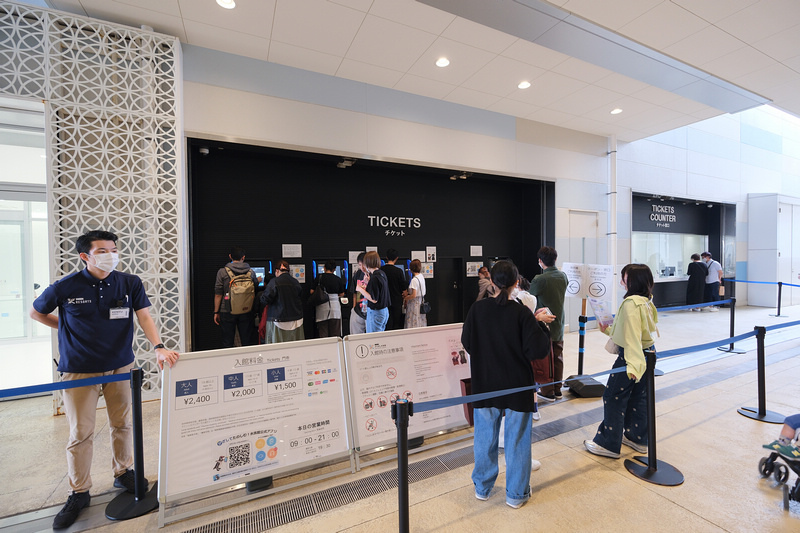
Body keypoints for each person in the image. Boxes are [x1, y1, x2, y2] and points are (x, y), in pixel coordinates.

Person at [29, 230, 180, 530]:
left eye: (113, 249)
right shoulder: (65, 286)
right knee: (81, 431)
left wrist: (159, 347)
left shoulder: (128, 283)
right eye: (102, 250)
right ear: (85, 256)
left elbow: (145, 316)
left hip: (120, 365)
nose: (110, 254)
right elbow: (36, 313)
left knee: (122, 422)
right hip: (78, 369)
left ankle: (123, 471)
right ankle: (79, 490)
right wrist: (65, 328)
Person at [462, 261, 552, 509]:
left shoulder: (477, 310)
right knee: (517, 440)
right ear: (516, 283)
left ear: (492, 282)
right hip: (517, 386)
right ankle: (516, 494)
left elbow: (467, 343)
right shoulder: (521, 312)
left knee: (484, 438)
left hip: (485, 384)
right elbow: (538, 349)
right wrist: (542, 324)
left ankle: (482, 488)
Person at [584, 263, 658, 459]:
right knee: (638, 398)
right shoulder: (646, 300)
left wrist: (633, 364)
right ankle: (638, 437)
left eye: (624, 277)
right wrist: (608, 329)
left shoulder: (630, 303)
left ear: (632, 280)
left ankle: (608, 443)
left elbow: (632, 337)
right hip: (647, 353)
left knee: (613, 396)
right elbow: (636, 332)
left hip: (632, 356)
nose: (621, 281)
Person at [529, 246, 568, 402]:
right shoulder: (563, 276)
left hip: (544, 324)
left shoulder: (540, 279)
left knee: (546, 358)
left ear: (540, 261)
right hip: (559, 322)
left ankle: (547, 392)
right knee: (558, 356)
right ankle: (557, 389)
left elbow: (530, 297)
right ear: (555, 259)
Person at [213, 246, 259, 347]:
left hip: (227, 310)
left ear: (230, 256)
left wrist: (216, 312)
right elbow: (255, 288)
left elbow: (218, 294)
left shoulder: (222, 272)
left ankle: (229, 361)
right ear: (243, 257)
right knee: (246, 339)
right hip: (246, 309)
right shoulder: (251, 272)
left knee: (227, 340)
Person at [261, 259, 305, 343]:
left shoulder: (274, 282)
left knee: (277, 349)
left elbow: (264, 299)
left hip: (278, 320)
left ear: (277, 271)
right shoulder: (295, 282)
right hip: (296, 320)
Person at [355, 251, 390, 333]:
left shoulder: (374, 277)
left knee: (374, 341)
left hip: (376, 312)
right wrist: (368, 283)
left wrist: (360, 289)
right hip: (384, 311)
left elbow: (374, 299)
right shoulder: (381, 274)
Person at [311, 260, 345, 337]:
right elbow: (342, 293)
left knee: (323, 332)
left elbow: (311, 291)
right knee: (335, 332)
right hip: (335, 309)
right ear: (334, 269)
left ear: (324, 268)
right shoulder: (338, 279)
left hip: (322, 308)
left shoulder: (319, 278)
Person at [380, 249, 409, 330]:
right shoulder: (399, 271)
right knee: (396, 324)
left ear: (386, 257)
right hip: (397, 301)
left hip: (385, 301)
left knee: (386, 323)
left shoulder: (381, 270)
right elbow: (403, 287)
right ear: (396, 258)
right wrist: (405, 299)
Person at [403, 259, 427, 329]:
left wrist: (406, 298)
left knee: (413, 322)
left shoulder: (414, 280)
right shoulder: (421, 277)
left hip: (414, 304)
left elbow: (414, 295)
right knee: (420, 321)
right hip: (421, 302)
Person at [349, 252, 367, 335]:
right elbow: (354, 293)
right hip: (358, 309)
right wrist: (354, 307)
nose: (362, 267)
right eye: (360, 265)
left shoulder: (374, 274)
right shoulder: (358, 274)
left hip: (370, 310)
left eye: (364, 264)